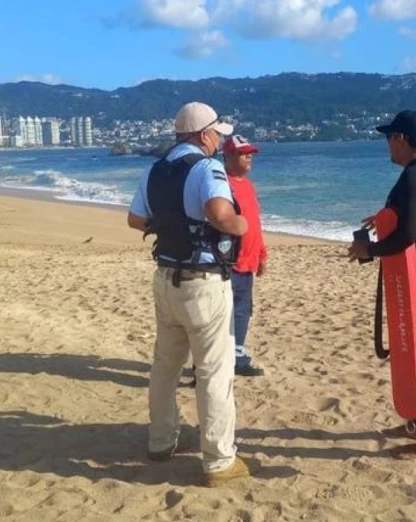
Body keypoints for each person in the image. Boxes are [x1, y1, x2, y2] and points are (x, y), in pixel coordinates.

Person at [126, 101, 251, 487]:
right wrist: (241, 225)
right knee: (214, 371)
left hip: (166, 277)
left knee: (165, 365)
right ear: (204, 135)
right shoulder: (206, 167)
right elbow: (219, 213)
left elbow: (135, 219)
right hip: (202, 281)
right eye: (217, 135)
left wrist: (171, 224)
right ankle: (219, 461)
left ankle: (161, 440)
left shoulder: (155, 170)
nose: (220, 142)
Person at [348, 110, 416, 464]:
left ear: (401, 138)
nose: (387, 145)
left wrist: (370, 250)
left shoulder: (413, 175)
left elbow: (408, 236)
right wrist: (386, 219)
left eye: (389, 137)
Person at [224, 135, 268, 376]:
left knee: (242, 312)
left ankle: (237, 357)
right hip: (227, 263)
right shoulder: (222, 184)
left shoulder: (249, 186)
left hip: (248, 262)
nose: (249, 157)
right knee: (221, 315)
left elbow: (255, 222)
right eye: (243, 153)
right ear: (228, 155)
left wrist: (261, 254)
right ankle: (207, 364)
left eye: (250, 153)